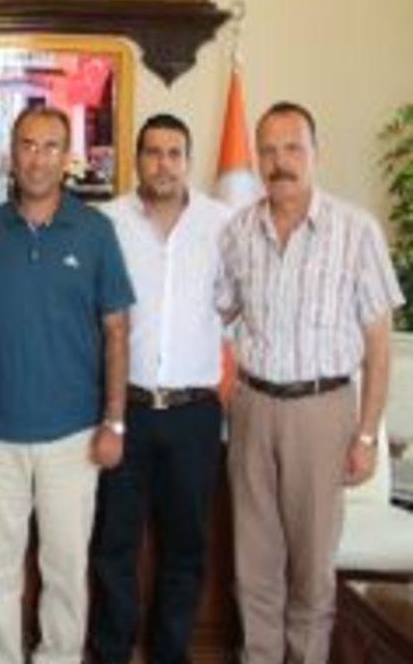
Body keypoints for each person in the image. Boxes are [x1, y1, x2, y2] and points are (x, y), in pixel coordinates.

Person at [219, 101, 405, 664]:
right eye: (269, 151)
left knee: (311, 569)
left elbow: (379, 347)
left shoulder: (356, 231)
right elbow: (217, 318)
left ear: (315, 154)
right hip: (253, 408)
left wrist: (366, 435)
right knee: (254, 567)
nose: (280, 162)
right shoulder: (238, 231)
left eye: (293, 148)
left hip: (323, 412)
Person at [0, 105, 134, 664]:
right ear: (11, 154)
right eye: (27, 145)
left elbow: (117, 330)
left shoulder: (95, 231)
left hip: (74, 436)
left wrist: (114, 422)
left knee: (65, 568)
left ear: (67, 158)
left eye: (50, 147)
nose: (37, 159)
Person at [91, 114, 231, 664]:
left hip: (194, 413)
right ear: (137, 160)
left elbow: (238, 309)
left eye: (175, 153)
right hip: (125, 408)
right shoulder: (108, 222)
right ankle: (112, 652)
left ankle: (170, 654)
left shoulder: (223, 224)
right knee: (115, 544)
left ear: (188, 162)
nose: (164, 164)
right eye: (153, 152)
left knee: (185, 547)